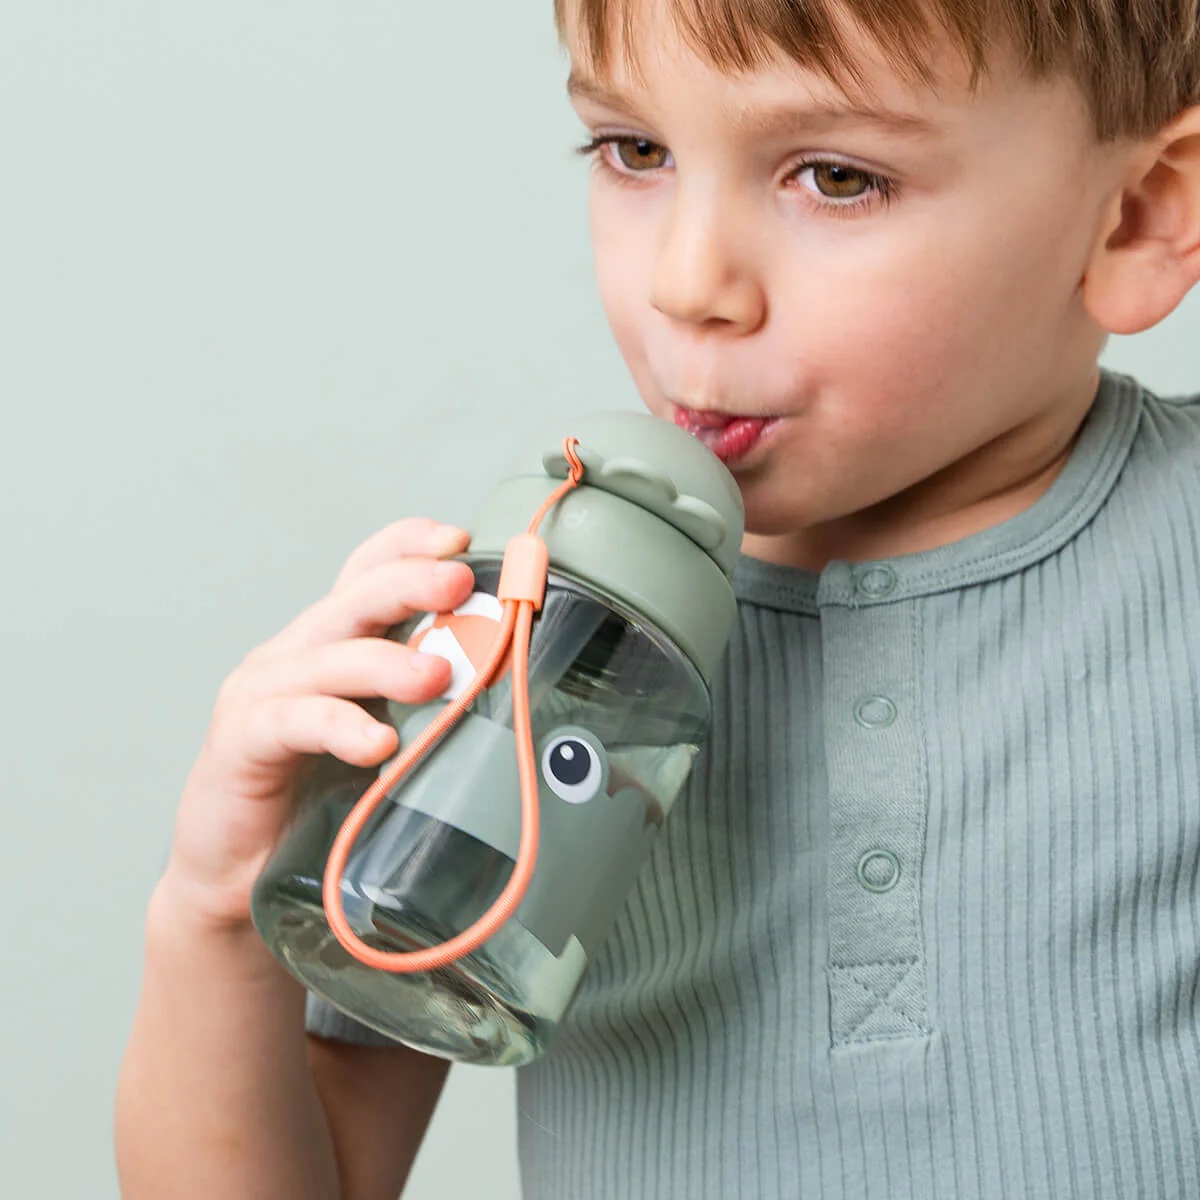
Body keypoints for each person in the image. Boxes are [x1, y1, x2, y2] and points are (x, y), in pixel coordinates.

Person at [115, 1, 1200, 1196]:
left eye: (836, 176)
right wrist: (212, 915)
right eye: (635, 152)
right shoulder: (510, 635)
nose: (689, 284)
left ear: (1137, 217)